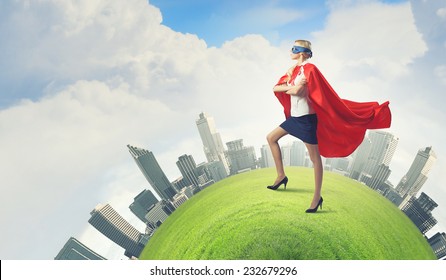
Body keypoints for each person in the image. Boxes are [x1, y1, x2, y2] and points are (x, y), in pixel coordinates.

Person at [266, 39, 391, 213]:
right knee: (271, 138)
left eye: (294, 48)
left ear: (301, 52)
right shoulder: (294, 71)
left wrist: (289, 87)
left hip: (306, 120)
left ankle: (317, 197)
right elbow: (275, 87)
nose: (290, 51)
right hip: (294, 118)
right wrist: (291, 85)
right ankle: (281, 176)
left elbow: (297, 92)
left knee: (315, 158)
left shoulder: (310, 69)